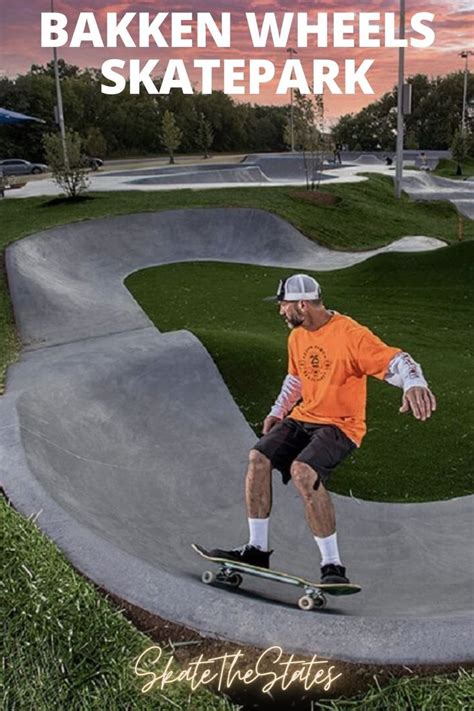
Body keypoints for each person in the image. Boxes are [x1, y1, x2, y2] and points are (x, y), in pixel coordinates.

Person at [209, 274, 436, 584]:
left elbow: (397, 360)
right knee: (257, 458)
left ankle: (333, 567)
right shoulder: (297, 336)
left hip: (341, 425)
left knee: (303, 471)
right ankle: (257, 550)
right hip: (303, 416)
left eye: (284, 305)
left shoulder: (350, 334)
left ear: (302, 304)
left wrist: (414, 382)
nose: (280, 311)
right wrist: (278, 411)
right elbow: (296, 378)